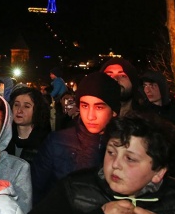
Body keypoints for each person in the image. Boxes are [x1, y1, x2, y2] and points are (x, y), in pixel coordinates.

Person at [22, 115, 175, 214]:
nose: (115, 164)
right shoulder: (75, 188)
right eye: (111, 152)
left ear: (158, 172)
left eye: (130, 159)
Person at [31, 71, 121, 204]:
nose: (90, 116)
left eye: (99, 107)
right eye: (85, 106)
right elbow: (35, 191)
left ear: (113, 111)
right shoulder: (56, 143)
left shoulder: (126, 147)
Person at [5, 86, 51, 165]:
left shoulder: (47, 144)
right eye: (16, 105)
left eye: (26, 106)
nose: (19, 110)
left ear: (37, 110)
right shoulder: (4, 139)